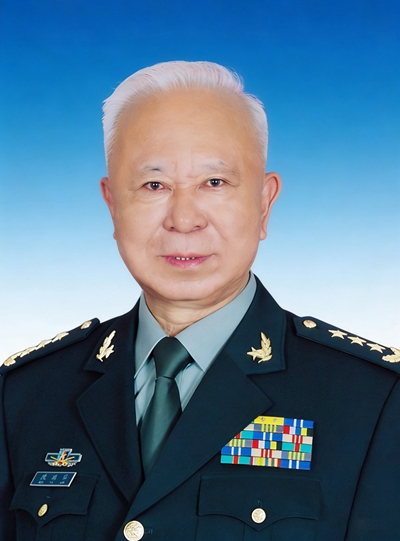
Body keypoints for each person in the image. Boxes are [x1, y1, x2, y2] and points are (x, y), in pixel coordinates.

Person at [1, 61, 399, 541]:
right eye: (154, 185)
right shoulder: (24, 395)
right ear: (112, 204)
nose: (184, 219)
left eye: (214, 183)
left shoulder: (374, 400)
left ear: (264, 203)